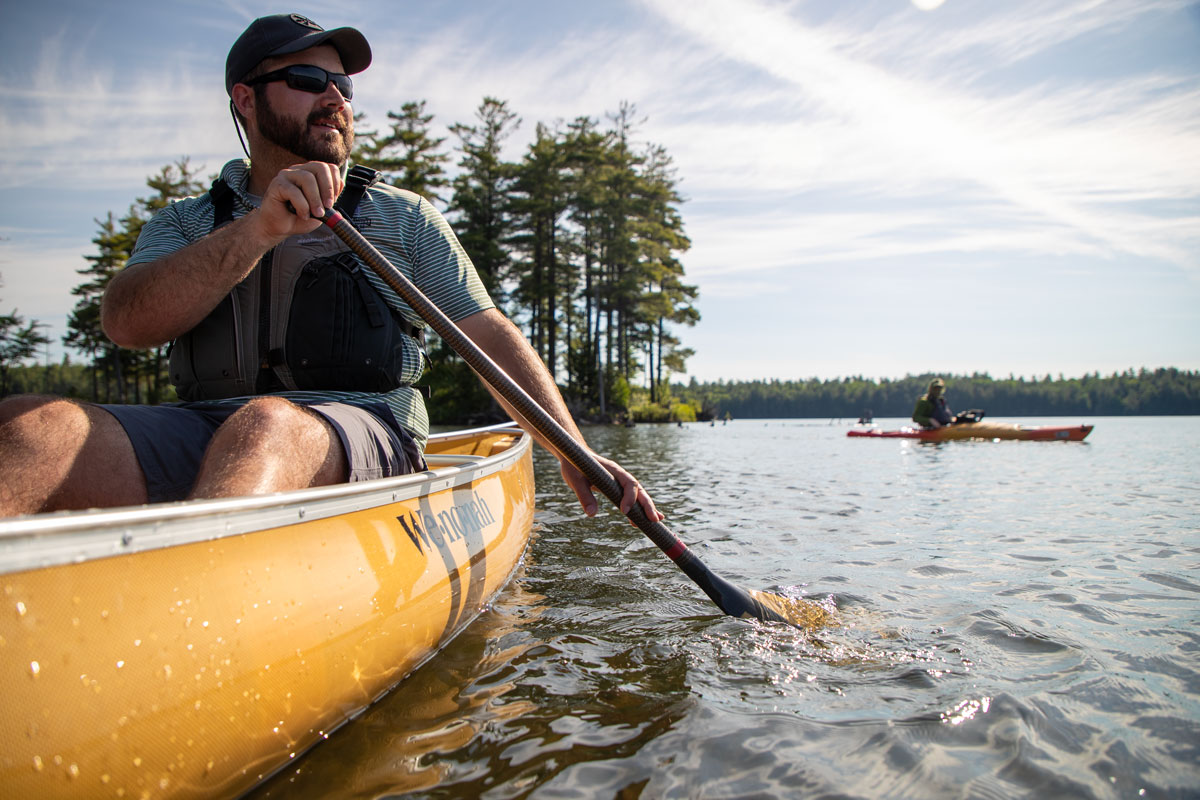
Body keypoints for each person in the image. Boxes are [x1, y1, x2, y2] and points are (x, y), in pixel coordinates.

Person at [0, 13, 661, 525]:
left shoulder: (401, 218)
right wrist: (258, 230)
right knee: (30, 425)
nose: (334, 99)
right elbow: (126, 322)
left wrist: (572, 448)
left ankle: (193, 624)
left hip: (366, 437)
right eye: (309, 81)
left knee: (266, 426)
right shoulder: (184, 226)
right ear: (246, 100)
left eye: (340, 85)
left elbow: (485, 333)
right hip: (205, 433)